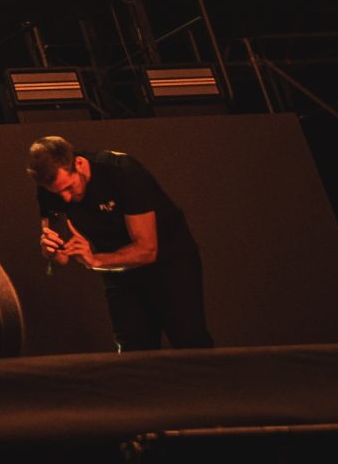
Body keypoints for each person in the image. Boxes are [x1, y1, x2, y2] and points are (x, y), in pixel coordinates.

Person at [30, 134, 212, 350]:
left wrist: (94, 260)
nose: (66, 198)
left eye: (69, 187)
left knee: (189, 341)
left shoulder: (120, 171)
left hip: (169, 262)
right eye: (58, 193)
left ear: (78, 164)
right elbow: (60, 259)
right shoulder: (49, 191)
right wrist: (50, 251)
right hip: (118, 270)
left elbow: (147, 250)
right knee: (132, 348)